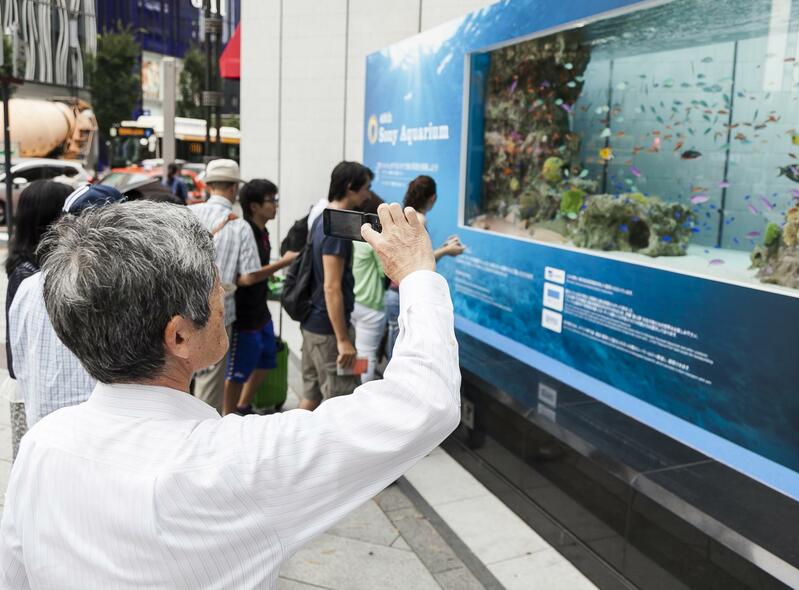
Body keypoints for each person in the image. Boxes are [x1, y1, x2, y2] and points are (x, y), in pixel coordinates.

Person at [0, 200, 459, 588]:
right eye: (213, 287)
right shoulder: (232, 462)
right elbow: (424, 401)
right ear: (178, 337)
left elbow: (14, 575)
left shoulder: (43, 443)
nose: (222, 296)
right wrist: (417, 273)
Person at [7, 184, 124, 430]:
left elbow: (17, 363)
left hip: (44, 426)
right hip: (99, 431)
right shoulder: (121, 289)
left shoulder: (29, 286)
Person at [189, 159, 297, 412]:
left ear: (209, 185)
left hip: (182, 305)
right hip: (218, 309)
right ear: (233, 189)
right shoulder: (238, 225)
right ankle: (204, 433)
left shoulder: (189, 213)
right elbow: (247, 276)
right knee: (210, 378)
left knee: (183, 373)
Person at [3, 180, 73, 458]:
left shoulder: (27, 265)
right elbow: (15, 351)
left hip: (33, 387)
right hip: (32, 391)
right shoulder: (29, 274)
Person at [300, 161, 372, 411]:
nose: (368, 194)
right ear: (351, 188)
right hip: (329, 332)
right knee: (342, 402)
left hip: (313, 326)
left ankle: (293, 448)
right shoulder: (337, 228)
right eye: (366, 188)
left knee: (311, 396)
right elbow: (332, 287)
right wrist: (343, 340)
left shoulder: (321, 217)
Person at [385, 175, 465, 359]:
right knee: (401, 357)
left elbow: (412, 255)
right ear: (433, 198)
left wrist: (444, 247)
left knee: (395, 349)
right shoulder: (419, 219)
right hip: (404, 295)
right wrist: (447, 251)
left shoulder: (404, 215)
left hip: (393, 293)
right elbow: (418, 261)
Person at [225, 179, 281, 415]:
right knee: (237, 370)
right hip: (244, 313)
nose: (275, 206)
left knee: (268, 358)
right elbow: (245, 277)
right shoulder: (243, 231)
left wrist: (268, 274)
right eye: (271, 201)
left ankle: (243, 406)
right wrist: (283, 264)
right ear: (255, 206)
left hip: (261, 311)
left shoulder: (263, 231)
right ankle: (228, 417)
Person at [350, 193, 387, 383]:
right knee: (367, 354)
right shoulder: (372, 243)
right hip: (371, 306)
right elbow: (385, 272)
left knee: (359, 351)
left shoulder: (351, 238)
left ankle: (356, 384)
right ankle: (364, 393)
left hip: (353, 303)